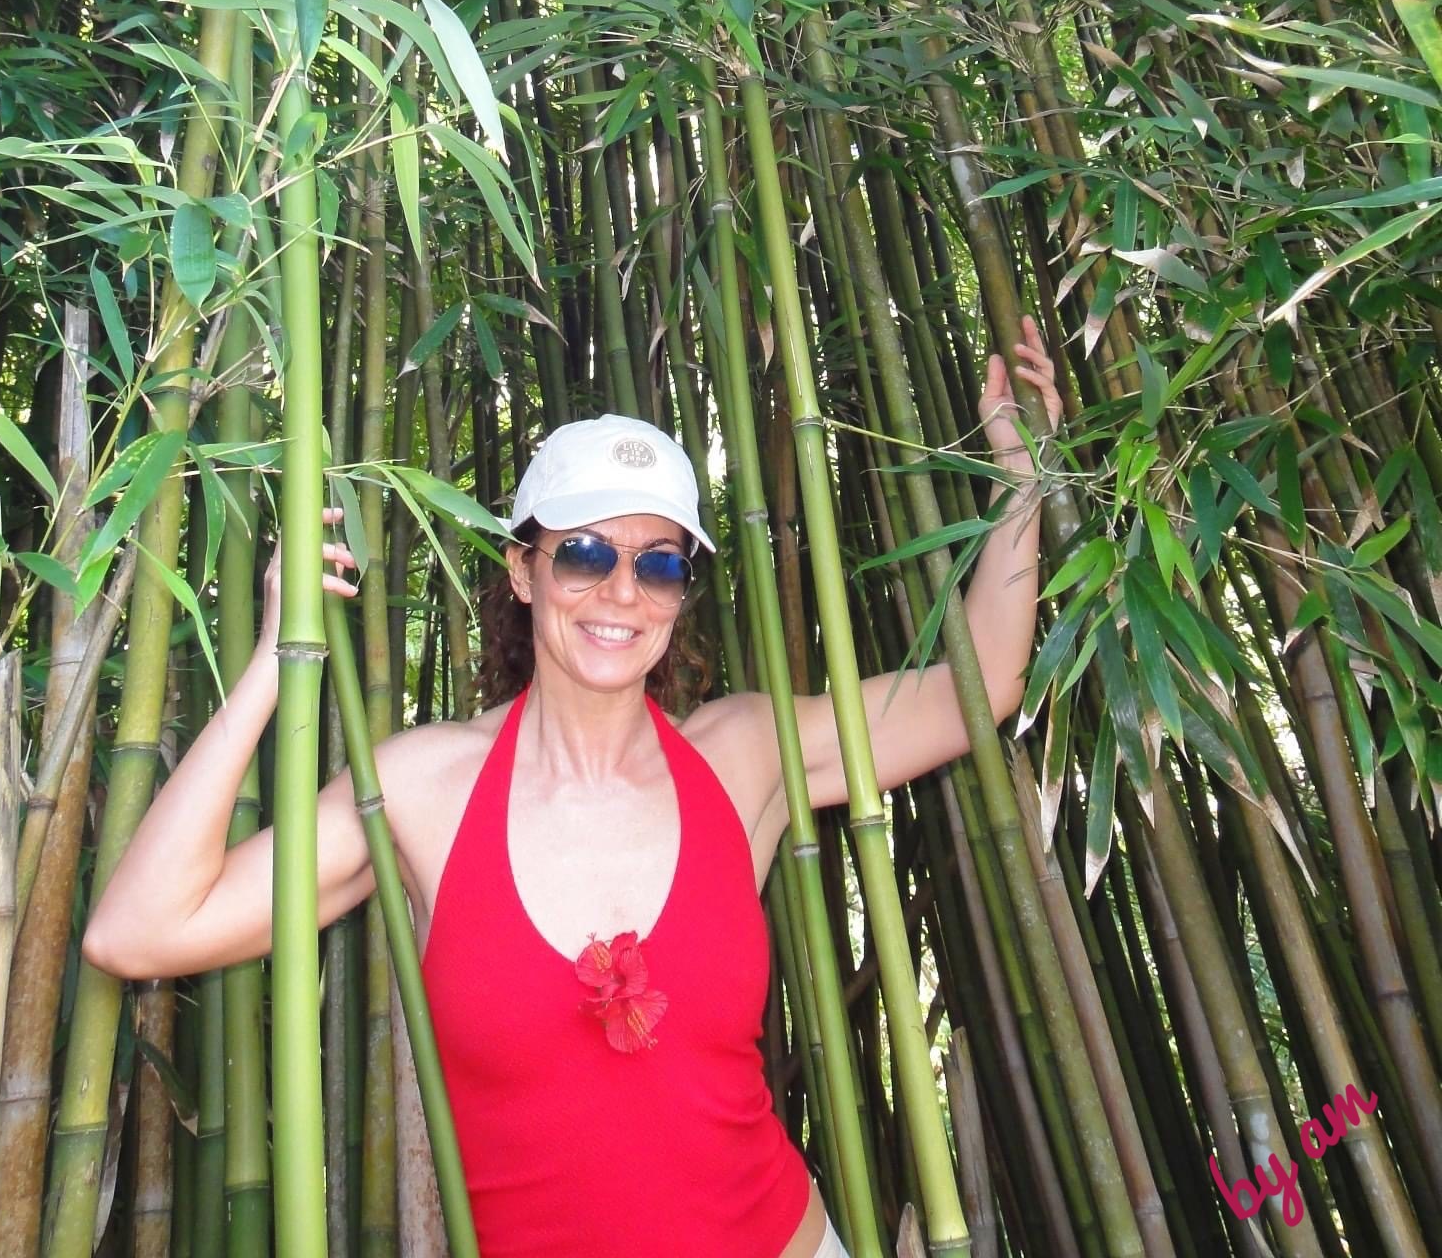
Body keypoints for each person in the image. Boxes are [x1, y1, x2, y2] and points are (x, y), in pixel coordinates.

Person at [85, 319, 1062, 1258]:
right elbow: (139, 929)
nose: (621, 592)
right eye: (586, 553)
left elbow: (981, 681)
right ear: (523, 566)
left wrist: (1025, 476)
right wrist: (273, 658)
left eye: (659, 562)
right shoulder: (424, 788)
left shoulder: (744, 754)